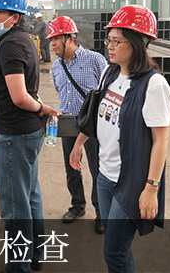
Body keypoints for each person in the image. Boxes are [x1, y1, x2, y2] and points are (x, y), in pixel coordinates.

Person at [70, 5, 170, 272]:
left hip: (131, 181)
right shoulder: (111, 73)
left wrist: (151, 189)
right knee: (115, 246)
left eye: (117, 41)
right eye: (109, 40)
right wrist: (79, 142)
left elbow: (160, 141)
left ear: (137, 44)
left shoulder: (153, 85)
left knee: (114, 251)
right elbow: (97, 114)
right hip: (105, 175)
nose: (110, 46)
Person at [0, 0, 58, 273]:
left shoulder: (11, 45)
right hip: (25, 133)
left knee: (15, 207)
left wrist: (42, 108)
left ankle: (18, 268)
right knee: (30, 194)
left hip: (14, 136)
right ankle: (35, 254)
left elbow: (19, 97)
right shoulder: (22, 39)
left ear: (14, 17)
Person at [48, 16, 107, 234]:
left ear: (70, 38)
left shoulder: (95, 60)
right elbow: (60, 92)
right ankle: (78, 205)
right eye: (51, 40)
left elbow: (106, 92)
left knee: (97, 169)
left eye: (56, 39)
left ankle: (101, 212)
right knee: (72, 167)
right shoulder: (56, 66)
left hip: (92, 125)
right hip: (68, 122)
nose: (52, 44)